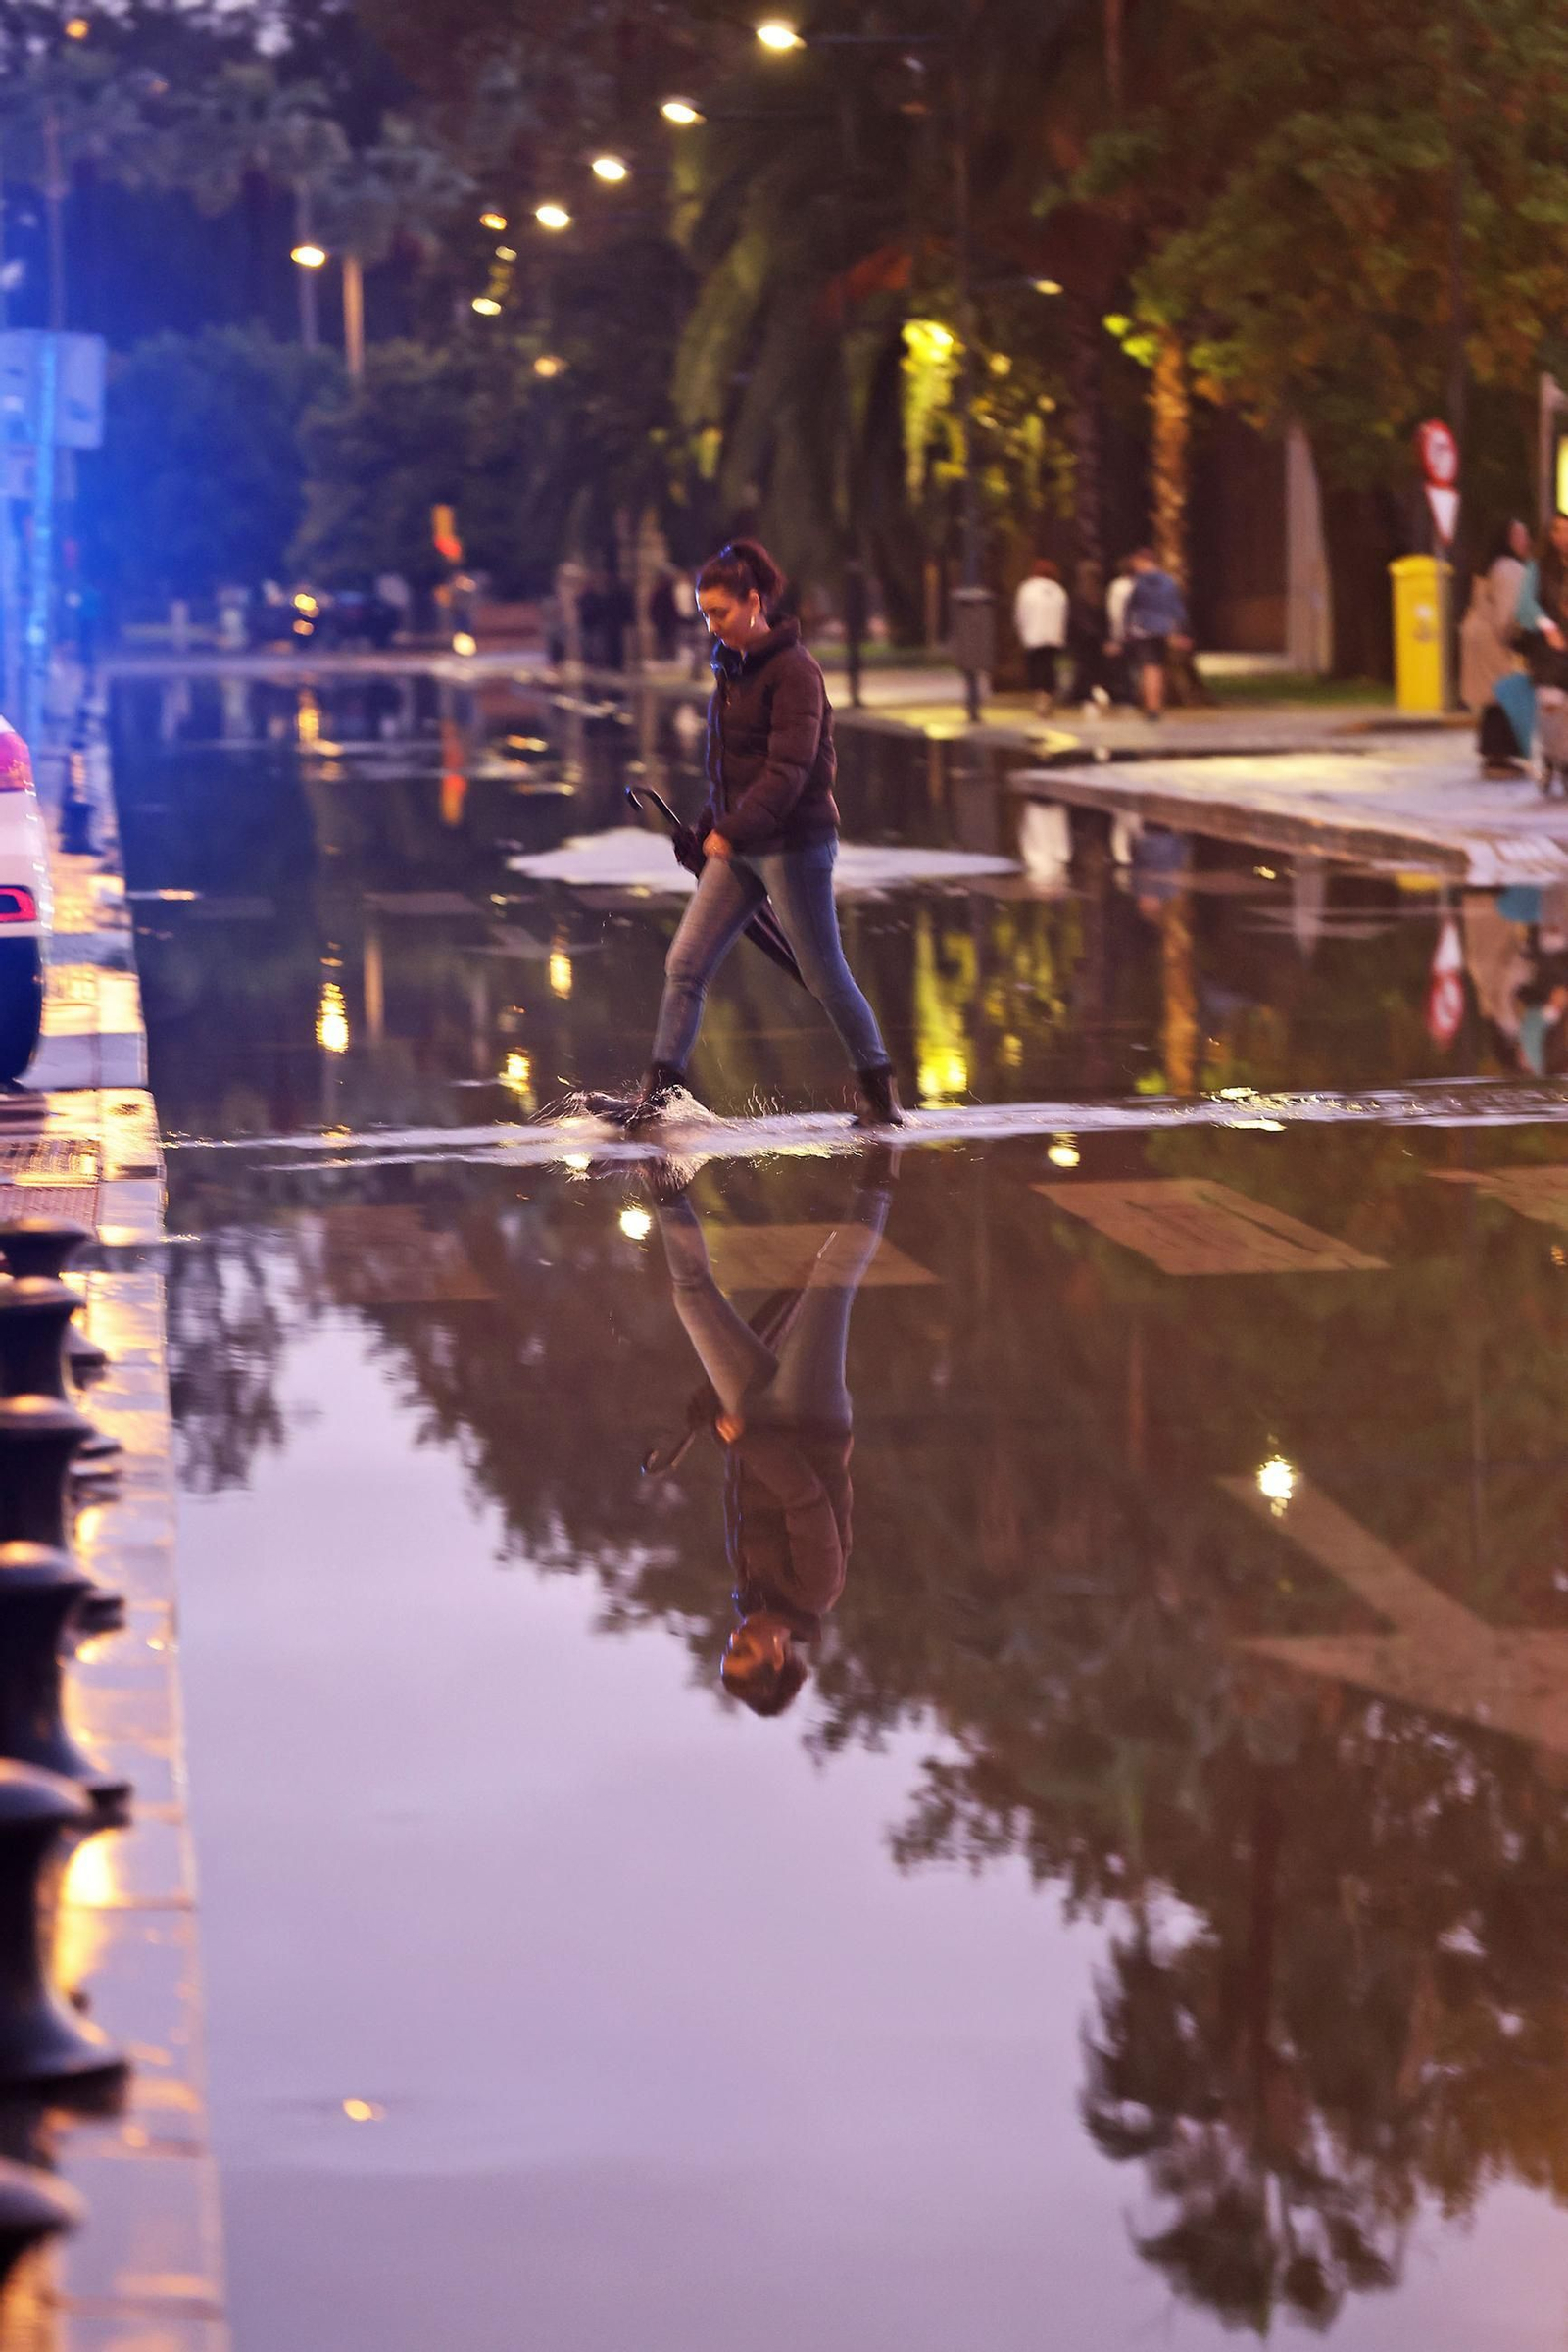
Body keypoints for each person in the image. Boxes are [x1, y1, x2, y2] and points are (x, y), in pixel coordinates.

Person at [595, 537, 904, 1128]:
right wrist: (708, 827)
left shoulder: (795, 672)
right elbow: (730, 770)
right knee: (685, 962)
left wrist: (731, 831)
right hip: (742, 844)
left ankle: (879, 1092)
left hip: (795, 845)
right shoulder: (732, 669)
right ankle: (658, 1099)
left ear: (754, 601)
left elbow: (788, 771)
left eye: (721, 612)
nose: (712, 625)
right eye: (705, 614)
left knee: (822, 972)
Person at [645, 1152, 897, 1716]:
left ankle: (664, 1178)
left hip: (753, 1416)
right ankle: (883, 1165)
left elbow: (745, 1481)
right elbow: (803, 1495)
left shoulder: (749, 1586)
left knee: (691, 1295)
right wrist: (742, 1442)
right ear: (777, 1660)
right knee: (832, 1282)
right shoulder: (815, 1590)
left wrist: (715, 1422)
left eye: (727, 1653)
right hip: (812, 1416)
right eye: (744, 1654)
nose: (734, 1640)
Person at [1462, 519, 1531, 773]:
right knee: (1506, 696)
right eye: (1521, 536)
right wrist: (1519, 643)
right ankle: (1500, 756)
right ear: (1508, 539)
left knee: (1493, 699)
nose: (1527, 541)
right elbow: (1508, 614)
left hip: (1479, 637)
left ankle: (1493, 755)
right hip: (1495, 639)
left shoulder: (1489, 566)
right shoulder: (1510, 568)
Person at [1123, 547, 1191, 719]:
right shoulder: (1169, 582)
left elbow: (1130, 608)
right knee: (1158, 668)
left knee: (1149, 669)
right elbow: (1176, 607)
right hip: (1164, 629)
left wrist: (1127, 629)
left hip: (1143, 629)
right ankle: (1157, 704)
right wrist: (1182, 631)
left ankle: (1151, 707)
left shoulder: (1138, 583)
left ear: (1142, 561)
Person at [1012, 557, 1069, 717]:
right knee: (1049, 666)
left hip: (1034, 634)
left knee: (1036, 667)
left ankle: (1040, 699)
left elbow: (1020, 612)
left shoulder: (1028, 588)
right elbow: (1064, 615)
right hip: (1054, 635)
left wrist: (1021, 631)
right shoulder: (1058, 590)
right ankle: (1048, 697)